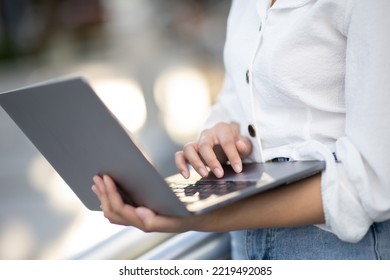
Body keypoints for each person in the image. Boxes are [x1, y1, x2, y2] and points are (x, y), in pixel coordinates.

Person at [91, 0, 390, 259]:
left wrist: (195, 219)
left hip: (337, 251)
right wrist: (220, 134)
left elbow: (372, 184)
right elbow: (236, 96)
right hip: (245, 246)